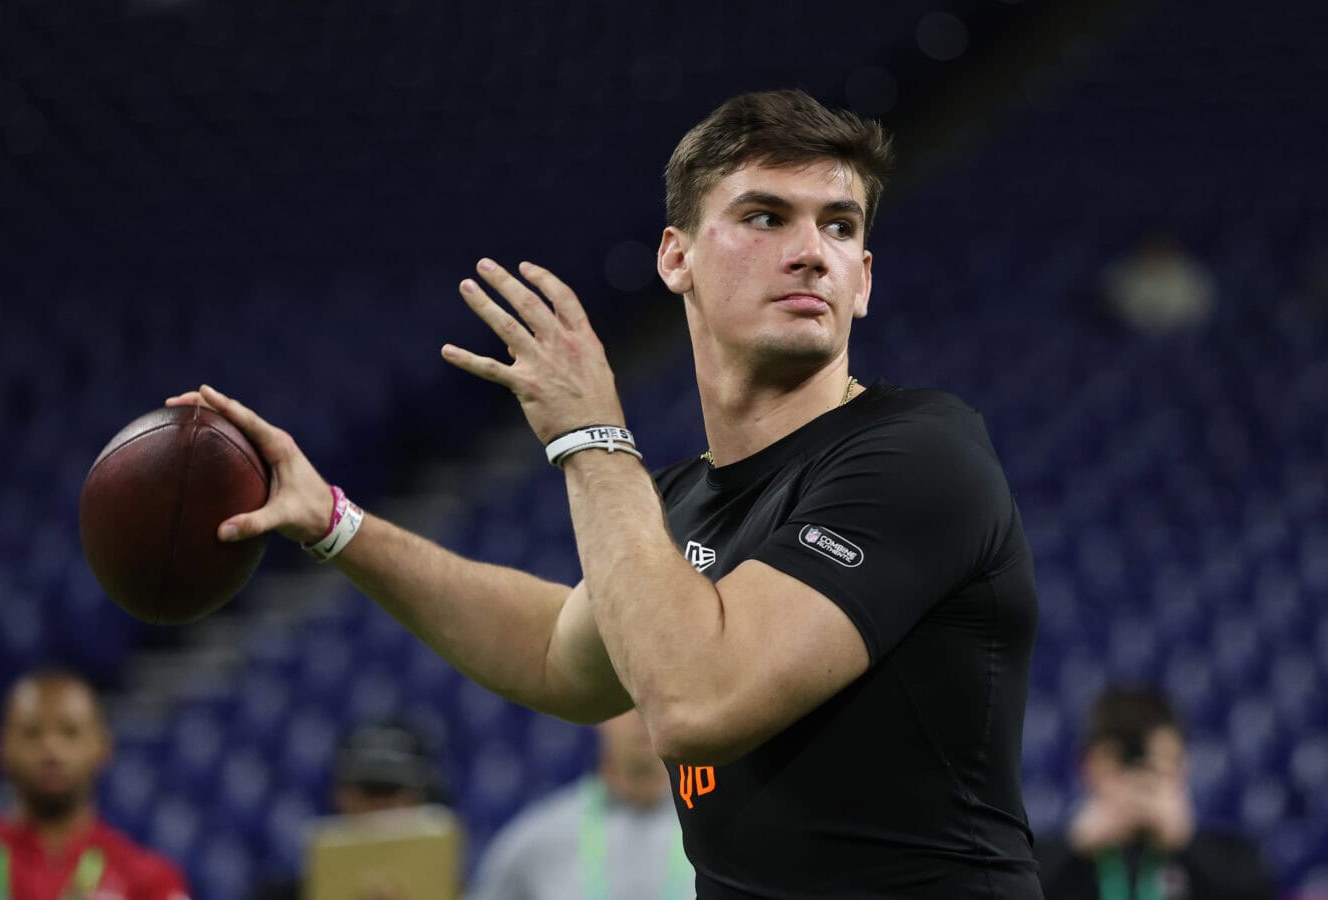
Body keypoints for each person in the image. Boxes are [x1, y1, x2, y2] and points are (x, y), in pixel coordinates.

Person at [168, 88, 1041, 897]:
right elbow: (557, 652)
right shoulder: (685, 504)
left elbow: (698, 701)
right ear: (676, 257)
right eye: (765, 216)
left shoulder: (922, 453)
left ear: (865, 279)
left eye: (840, 227)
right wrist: (335, 523)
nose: (811, 252)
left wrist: (589, 438)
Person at [1035, 684, 1277, 900]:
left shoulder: (1230, 859)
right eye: (1122, 768)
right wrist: (1074, 846)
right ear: (1087, 768)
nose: (1141, 783)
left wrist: (1187, 843)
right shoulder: (1043, 860)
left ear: (1184, 766)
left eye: (1161, 767)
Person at [0, 670, 190, 900]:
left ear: (102, 746)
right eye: (32, 734)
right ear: (3, 749)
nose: (51, 749)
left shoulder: (146, 878)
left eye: (70, 733)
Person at [469, 709, 693, 900]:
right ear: (599, 715)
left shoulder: (716, 833)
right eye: (626, 703)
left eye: (651, 701)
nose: (640, 716)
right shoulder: (537, 839)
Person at [247, 718, 451, 900]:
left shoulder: (456, 894)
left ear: (422, 800)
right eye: (369, 790)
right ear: (341, 797)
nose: (379, 809)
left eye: (390, 791)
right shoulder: (282, 895)